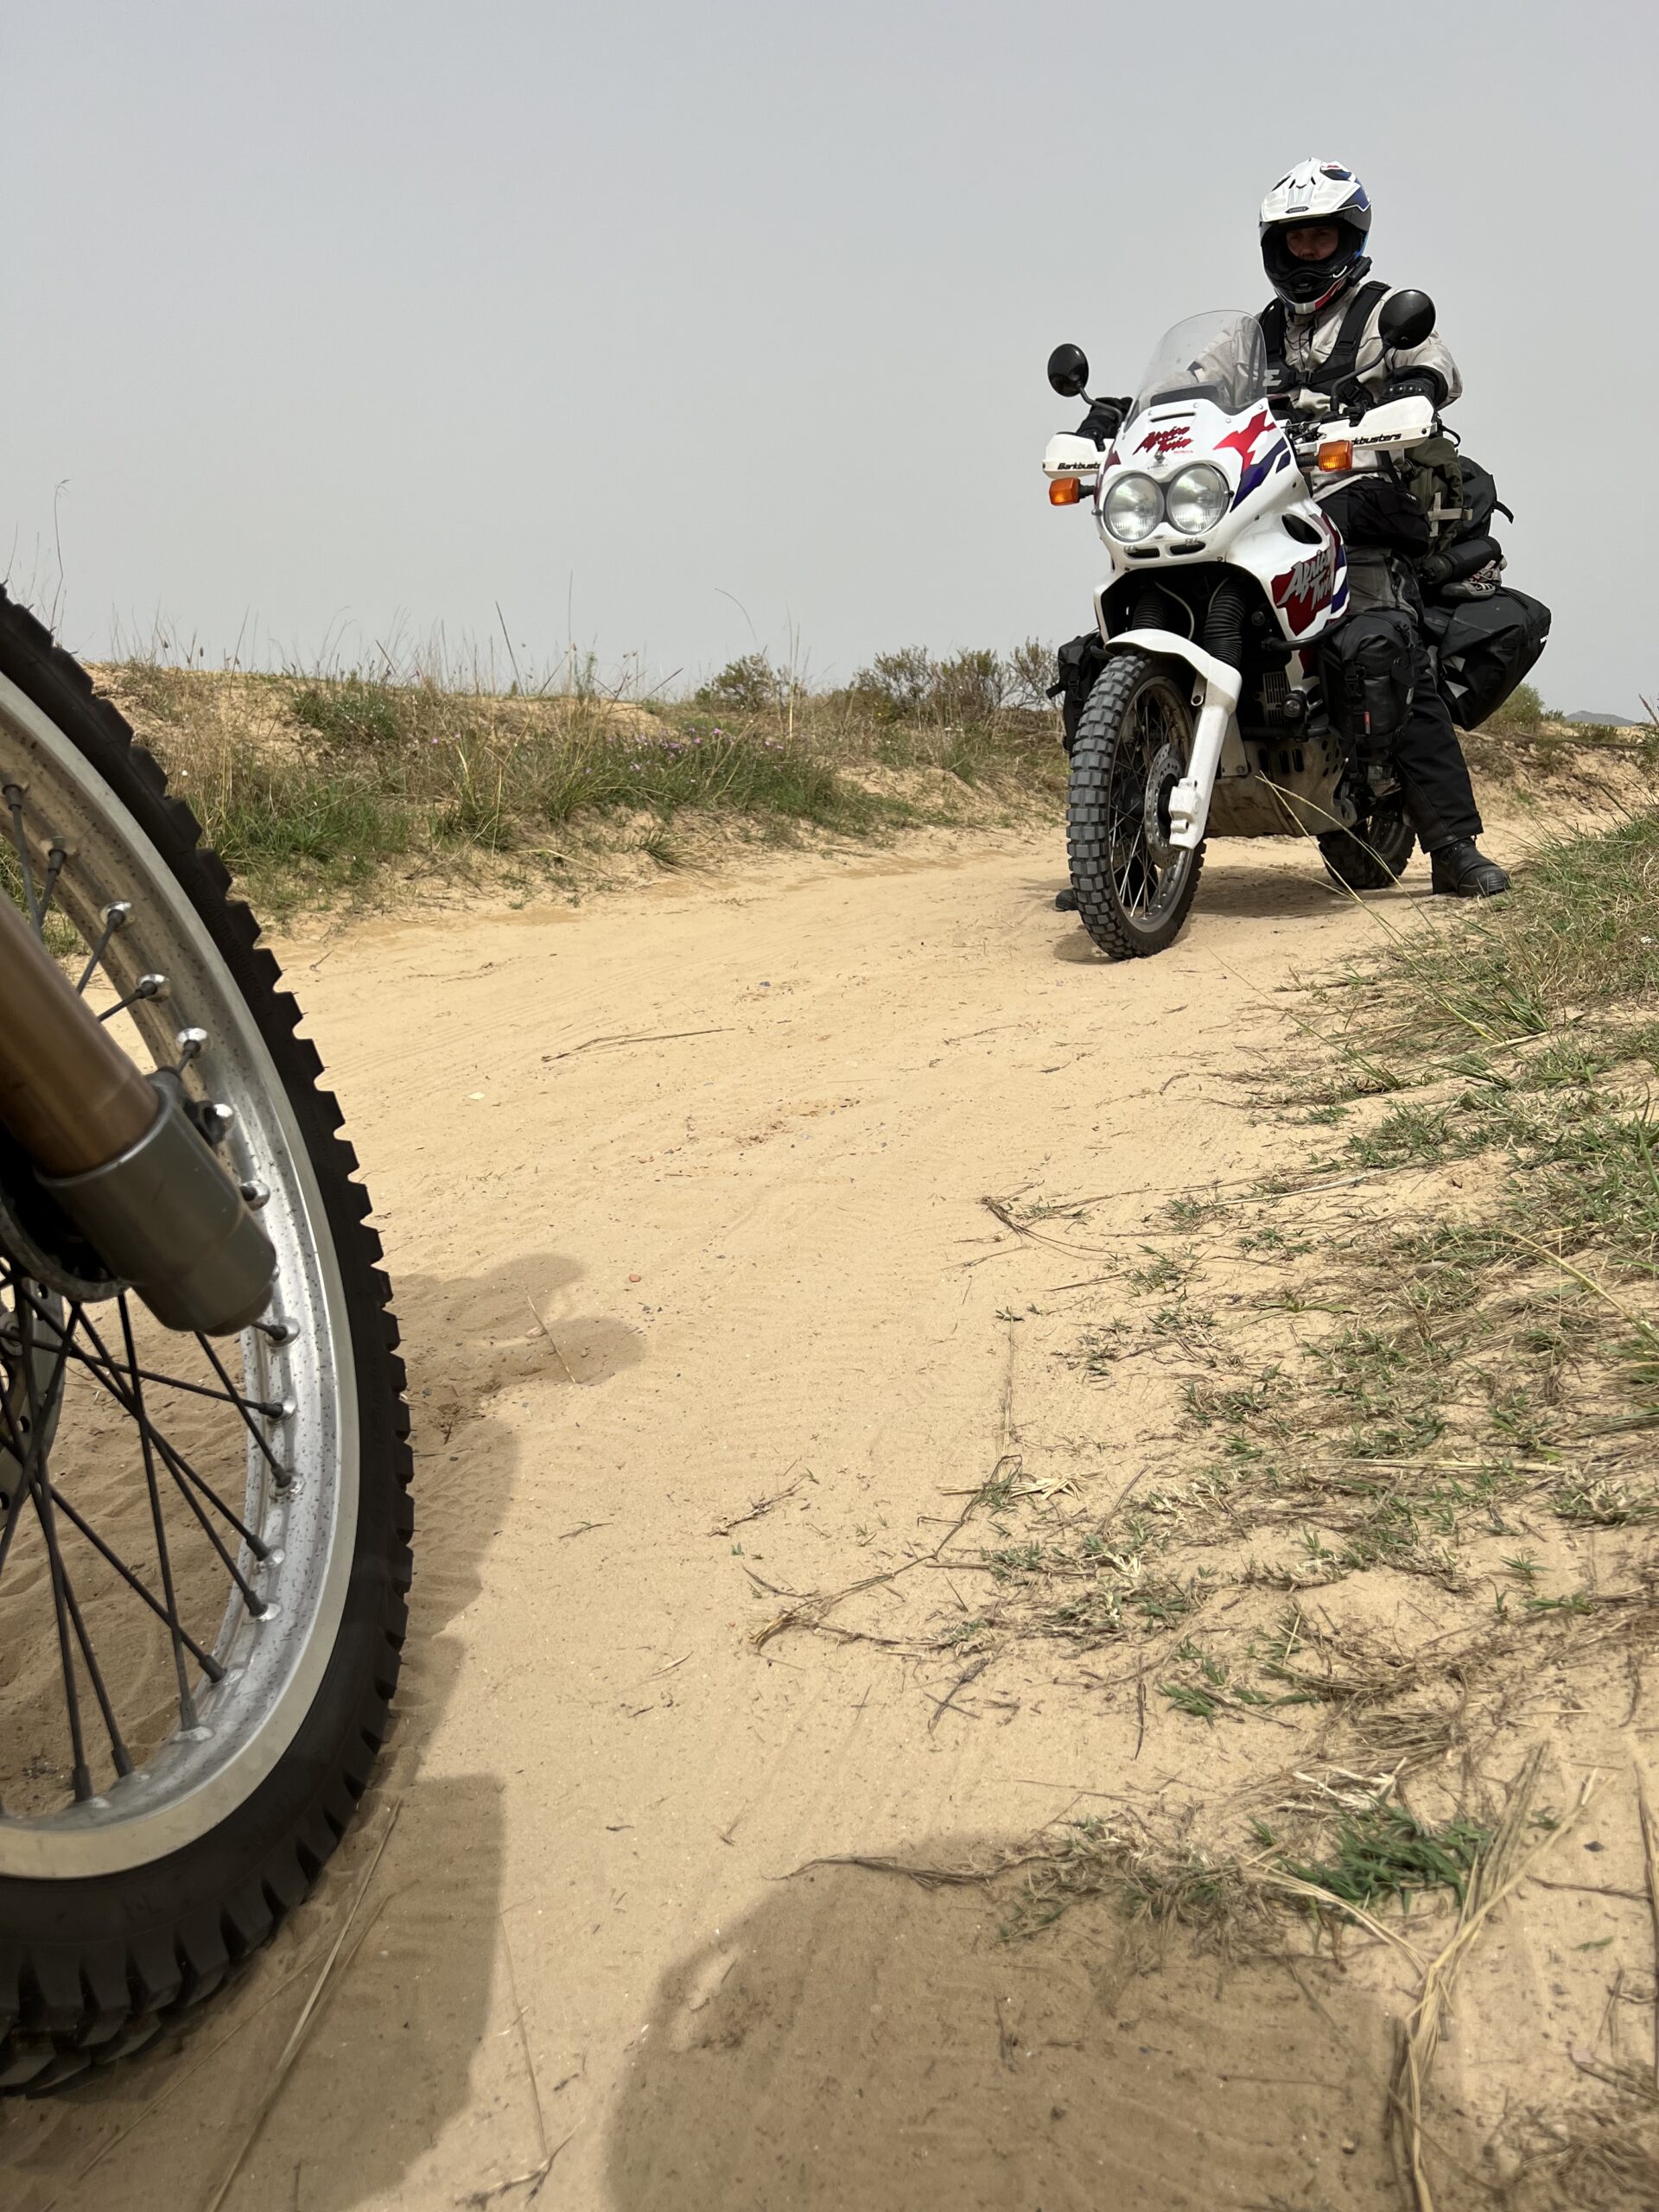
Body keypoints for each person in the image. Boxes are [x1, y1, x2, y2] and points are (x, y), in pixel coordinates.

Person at [1061, 159, 1510, 906]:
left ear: (1348, 238)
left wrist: (1413, 389)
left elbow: (1437, 366)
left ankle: (1454, 847)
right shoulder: (1252, 337)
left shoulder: (1378, 315)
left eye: (1320, 237)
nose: (1307, 252)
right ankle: (1111, 857)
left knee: (1378, 643)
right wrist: (1118, 414)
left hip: (1357, 499)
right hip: (1264, 502)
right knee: (1092, 657)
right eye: (1294, 240)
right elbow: (1192, 392)